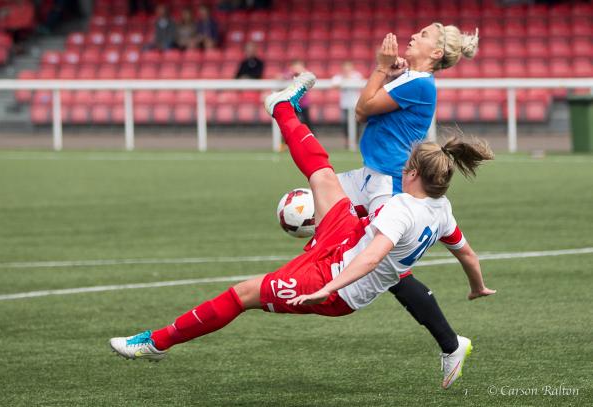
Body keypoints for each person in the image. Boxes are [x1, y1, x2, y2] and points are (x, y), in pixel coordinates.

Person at [110, 72, 496, 389]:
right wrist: (477, 286)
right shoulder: (441, 209)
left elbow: (373, 256)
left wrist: (329, 287)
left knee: (243, 294)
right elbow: (467, 253)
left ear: (410, 173)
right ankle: (282, 107)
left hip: (333, 283)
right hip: (345, 238)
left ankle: (155, 343)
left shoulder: (399, 210)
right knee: (323, 175)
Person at [337, 25, 480, 361]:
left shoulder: (419, 83)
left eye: (425, 34)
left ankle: (451, 344)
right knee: (316, 200)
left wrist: (381, 68)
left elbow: (361, 111)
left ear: (435, 53)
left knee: (387, 268)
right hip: (372, 174)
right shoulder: (412, 78)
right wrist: (389, 73)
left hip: (387, 181)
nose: (415, 34)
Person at [331, 61, 364, 147]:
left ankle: (355, 141)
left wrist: (347, 80)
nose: (347, 70)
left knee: (357, 123)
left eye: (348, 68)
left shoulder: (357, 75)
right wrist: (345, 80)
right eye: (345, 68)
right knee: (345, 123)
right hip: (344, 104)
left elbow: (360, 83)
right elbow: (334, 85)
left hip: (356, 104)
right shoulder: (338, 77)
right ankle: (347, 141)